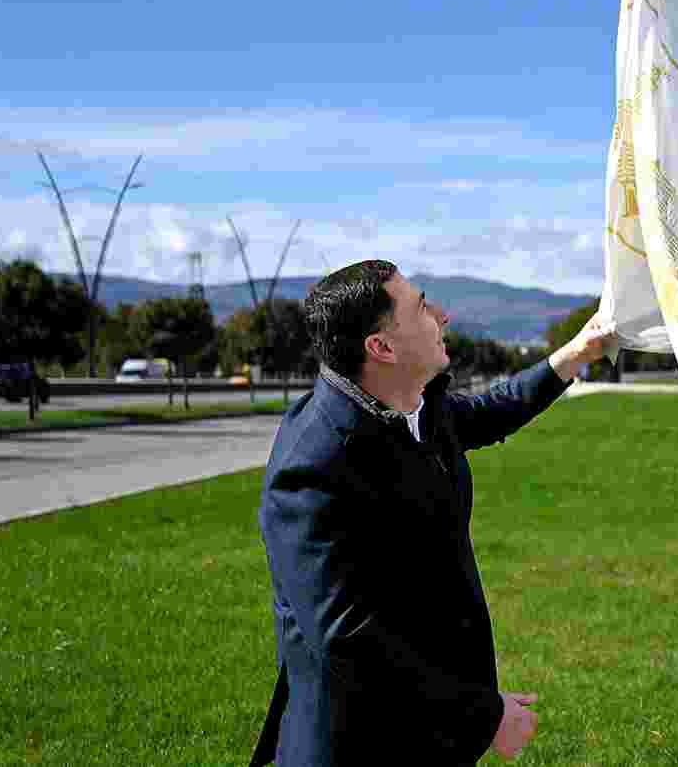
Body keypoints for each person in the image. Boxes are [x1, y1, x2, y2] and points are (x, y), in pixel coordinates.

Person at [250, 260, 612, 767]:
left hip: (423, 734)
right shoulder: (314, 464)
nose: (442, 315)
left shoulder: (414, 408)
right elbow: (349, 639)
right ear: (381, 347)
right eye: (421, 307)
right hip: (358, 745)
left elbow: (491, 412)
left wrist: (578, 354)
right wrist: (483, 716)